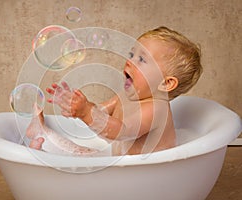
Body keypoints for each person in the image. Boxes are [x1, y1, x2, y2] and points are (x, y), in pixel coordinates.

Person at [26, 26, 203, 156]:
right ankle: (43, 135)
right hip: (120, 166)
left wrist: (87, 112)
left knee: (85, 161)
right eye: (132, 54)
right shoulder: (125, 97)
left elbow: (122, 131)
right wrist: (79, 107)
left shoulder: (157, 109)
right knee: (81, 152)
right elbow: (100, 113)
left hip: (144, 175)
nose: (129, 61)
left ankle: (44, 149)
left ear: (165, 84)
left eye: (141, 59)